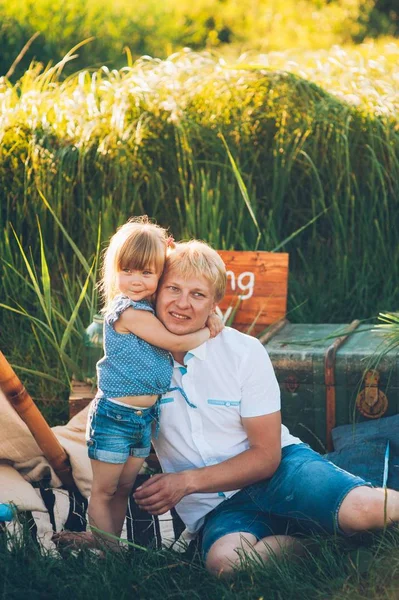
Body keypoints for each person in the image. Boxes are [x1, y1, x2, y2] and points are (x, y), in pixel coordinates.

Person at [133, 239, 399, 576]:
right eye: (173, 288)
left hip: (282, 472)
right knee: (227, 565)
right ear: (156, 292)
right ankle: (325, 542)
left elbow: (266, 456)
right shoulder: (139, 363)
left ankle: (346, 522)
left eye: (197, 294)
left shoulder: (243, 351)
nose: (181, 304)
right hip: (217, 506)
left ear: (216, 303)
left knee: (367, 509)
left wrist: (184, 482)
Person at [85, 218, 223, 550]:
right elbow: (173, 340)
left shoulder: (150, 308)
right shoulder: (127, 312)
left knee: (123, 488)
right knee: (104, 490)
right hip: (115, 415)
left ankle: (111, 547)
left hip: (143, 419)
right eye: (128, 271)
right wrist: (210, 328)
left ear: (160, 275)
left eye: (147, 273)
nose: (135, 281)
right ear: (115, 270)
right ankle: (104, 555)